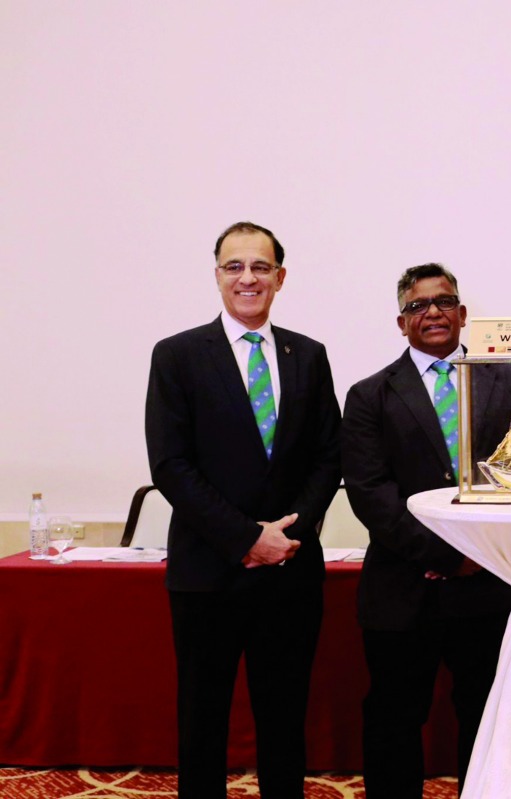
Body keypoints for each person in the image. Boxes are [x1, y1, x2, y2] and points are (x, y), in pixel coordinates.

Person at [145, 221, 342, 799]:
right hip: (208, 573)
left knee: (285, 721)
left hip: (291, 569)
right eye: (235, 267)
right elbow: (171, 466)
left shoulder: (308, 355)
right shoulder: (177, 355)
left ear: (280, 278)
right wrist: (244, 538)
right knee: (202, 721)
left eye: (260, 267)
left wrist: (287, 535)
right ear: (217, 277)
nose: (247, 278)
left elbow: (328, 458)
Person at [341, 263, 511, 799]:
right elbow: (370, 493)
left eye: (443, 302)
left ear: (463, 314)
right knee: (394, 721)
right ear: (400, 323)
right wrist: (448, 555)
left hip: (489, 588)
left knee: (488, 716)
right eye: (416, 306)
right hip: (403, 592)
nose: (431, 313)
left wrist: (478, 553)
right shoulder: (368, 396)